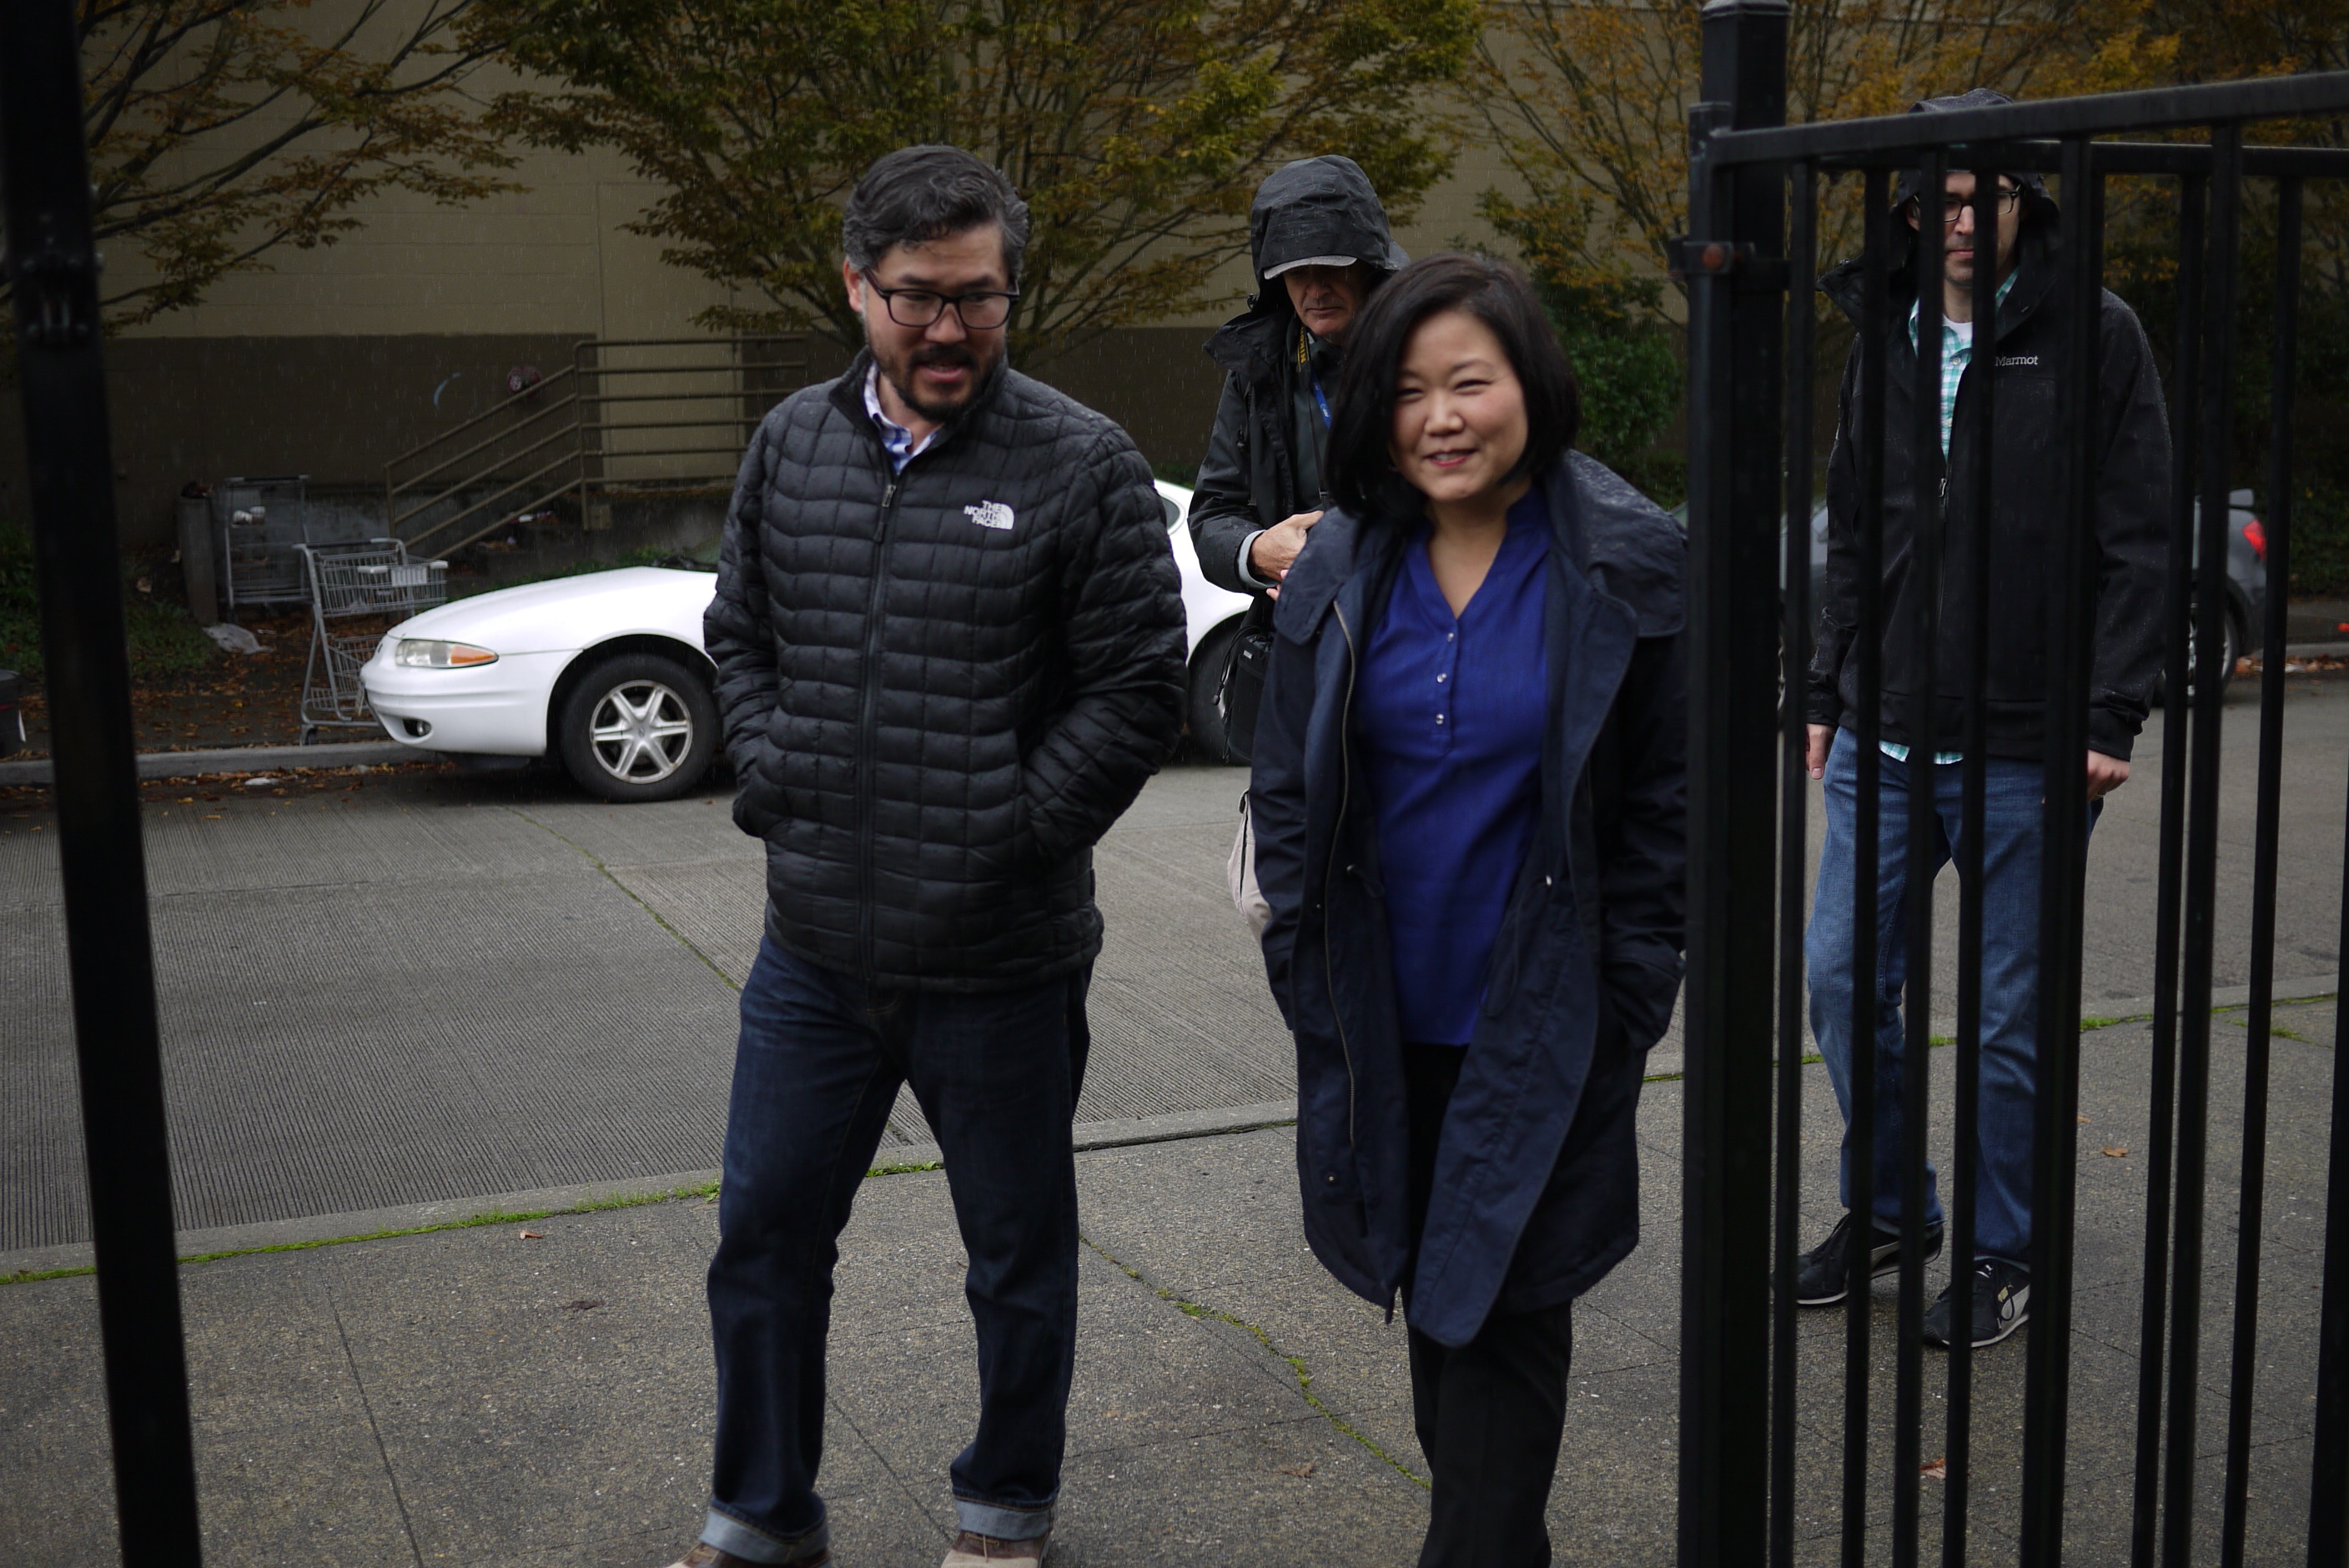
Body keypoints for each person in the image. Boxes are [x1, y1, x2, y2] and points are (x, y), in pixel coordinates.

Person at [673, 144, 1187, 1568]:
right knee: (764, 1244)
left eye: (979, 298)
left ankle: (1002, 1514)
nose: (949, 328)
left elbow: (1139, 686)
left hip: (1003, 960)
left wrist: (1012, 834)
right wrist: (774, 774)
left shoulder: (1082, 463)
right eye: (916, 298)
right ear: (857, 287)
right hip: (816, 954)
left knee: (1017, 1260)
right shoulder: (790, 443)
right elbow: (741, 636)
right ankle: (761, 1518)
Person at [1248, 253, 1687, 1568]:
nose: (1443, 415)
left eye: (1471, 383)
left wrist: (1624, 997)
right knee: (1444, 1316)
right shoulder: (1343, 569)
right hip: (1379, 1016)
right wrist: (1297, 949)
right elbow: (1285, 784)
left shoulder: (1622, 562)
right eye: (1412, 389)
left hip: (1545, 1019)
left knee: (1500, 1318)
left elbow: (1670, 809)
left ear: (1528, 388)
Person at [1798, 88, 2168, 1349]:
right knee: (1844, 983)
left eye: (1981, 196)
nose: (1956, 219)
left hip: (2029, 744)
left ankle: (2007, 1252)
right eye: (1933, 200)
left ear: (2026, 202)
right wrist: (1823, 691)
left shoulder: (2094, 335)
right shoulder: (1886, 334)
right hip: (1882, 735)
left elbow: (2138, 538)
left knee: (2008, 1025)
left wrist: (2113, 707)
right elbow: (1857, 529)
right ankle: (1895, 1211)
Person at [1187, 154, 1406, 759]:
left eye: (1329, 265)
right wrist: (1260, 552)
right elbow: (1211, 518)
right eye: (1292, 269)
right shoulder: (1258, 366)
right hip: (1299, 670)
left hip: (1421, 657)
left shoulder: (1432, 342)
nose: (1312, 286)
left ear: (1368, 262)